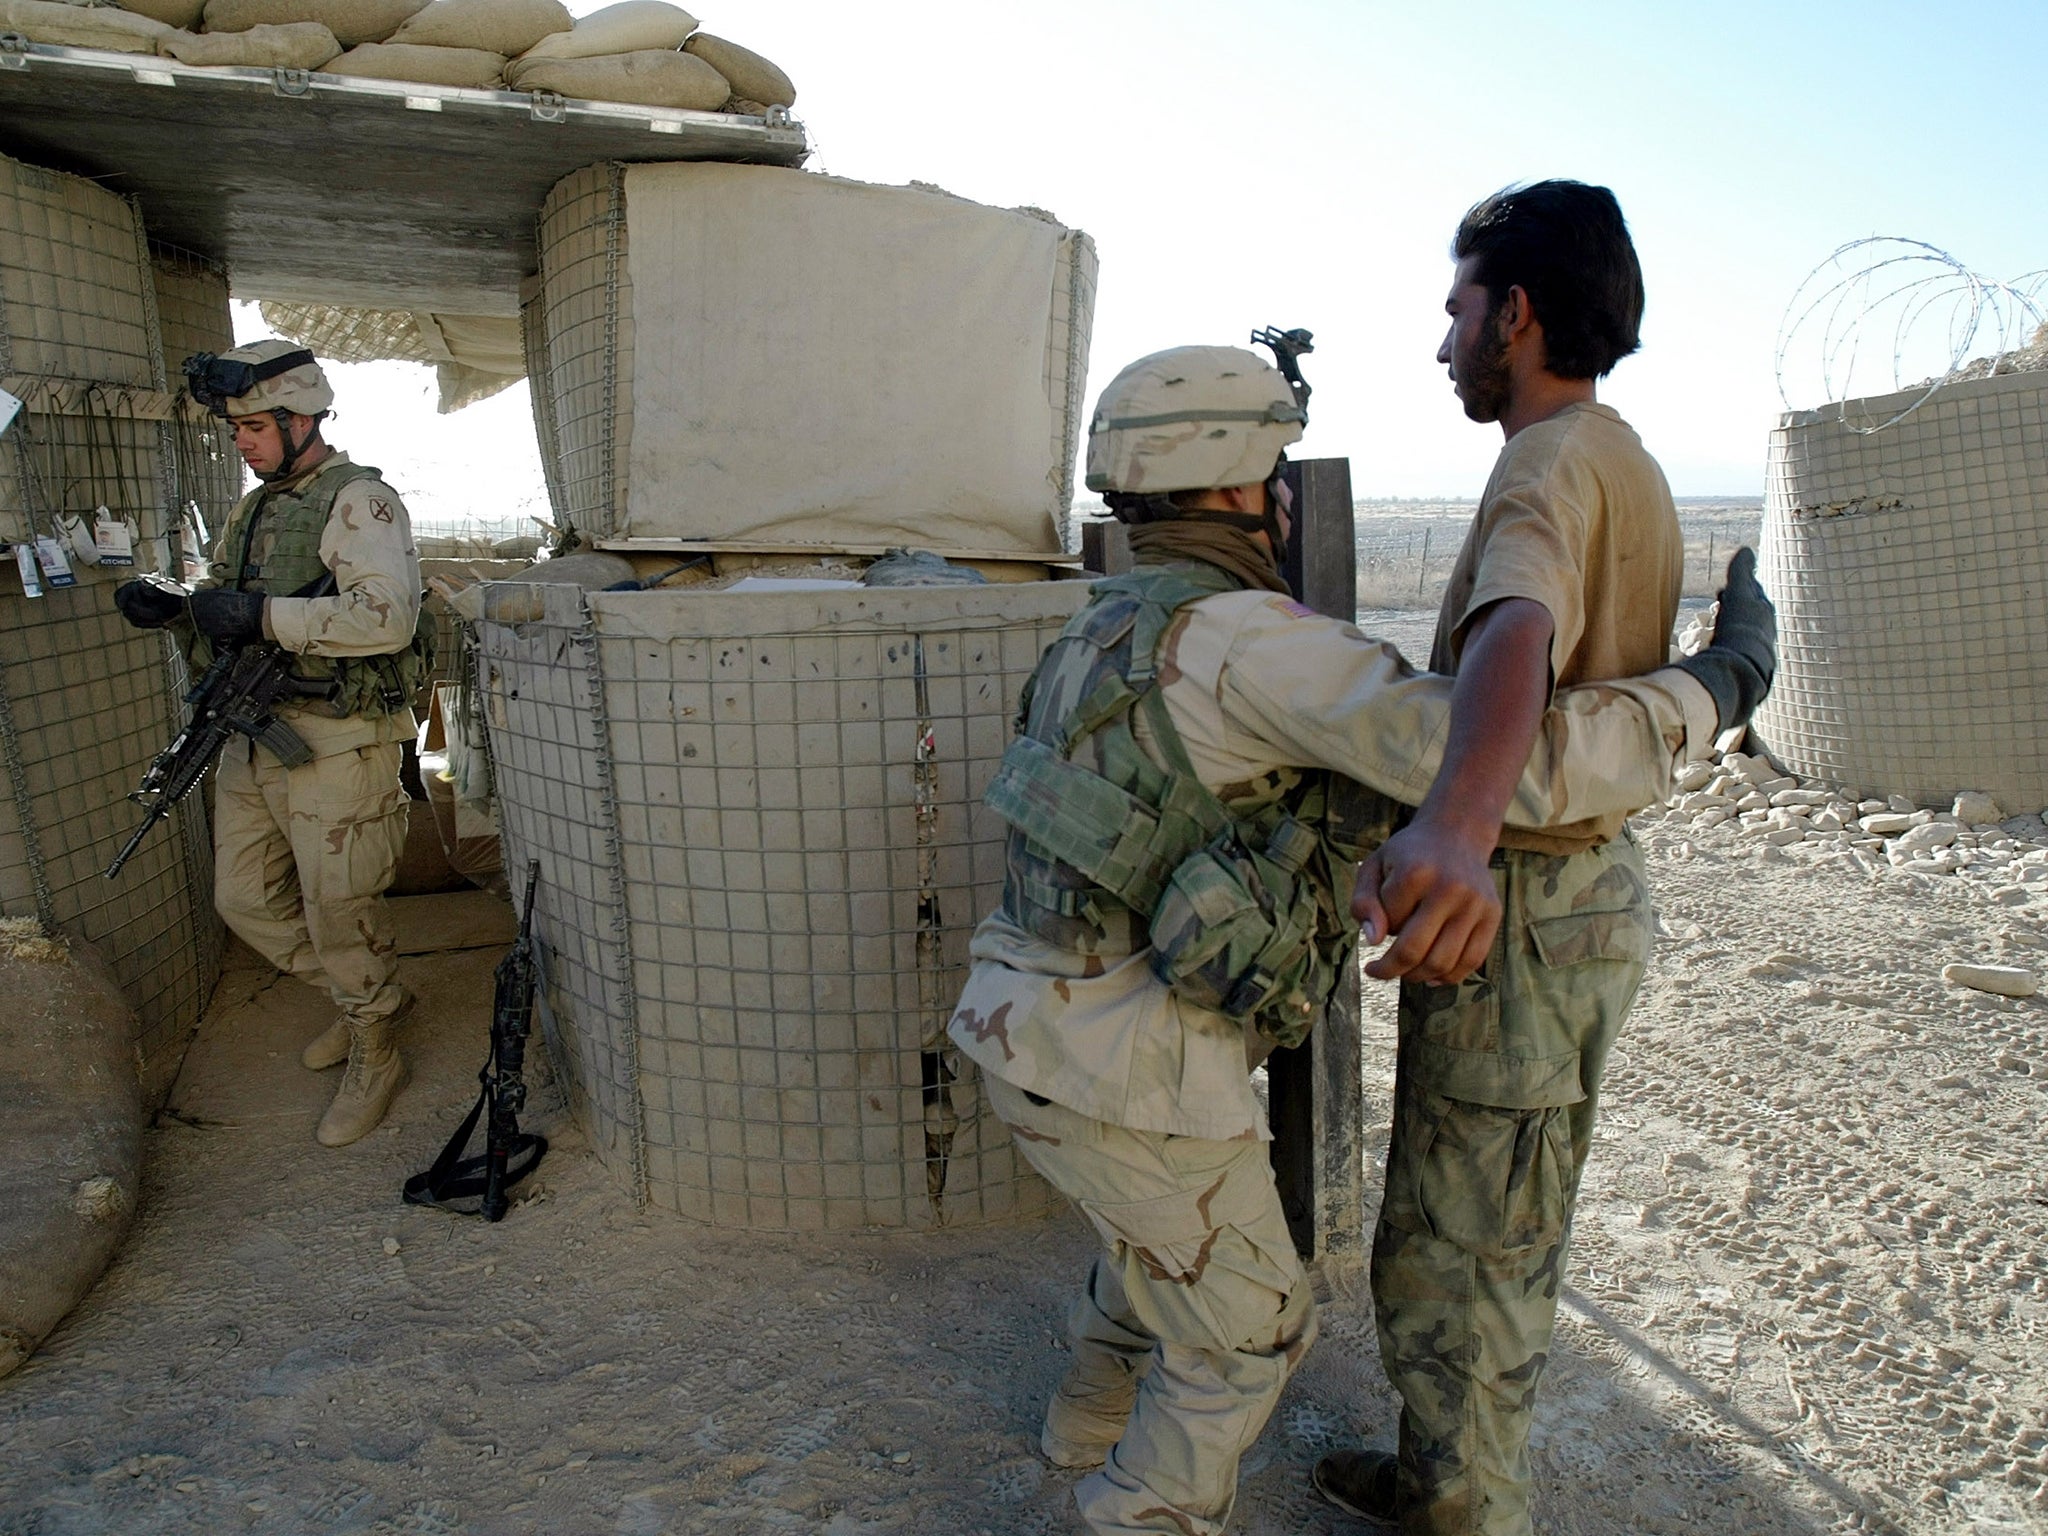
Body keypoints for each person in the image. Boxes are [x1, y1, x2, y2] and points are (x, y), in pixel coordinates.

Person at [948, 340, 1771, 1536]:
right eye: (1275, 468)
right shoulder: (1252, 643)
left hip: (1020, 1028)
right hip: (1123, 1069)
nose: (1286, 493)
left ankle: (1077, 1425)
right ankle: (1128, 1511)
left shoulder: (1103, 622)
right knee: (1248, 1329)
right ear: (1239, 488)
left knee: (1156, 1233)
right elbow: (1511, 769)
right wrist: (1720, 681)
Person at [1312, 182, 1774, 1534]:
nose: (1443, 340)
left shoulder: (1548, 463)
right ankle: (1433, 1476)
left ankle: (1467, 1512)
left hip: (1522, 906)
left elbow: (1517, 632)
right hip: (1571, 907)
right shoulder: (1619, 455)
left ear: (1515, 313)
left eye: (1458, 308)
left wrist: (1454, 827)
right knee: (1489, 1229)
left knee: (1465, 1263)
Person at [113, 340, 432, 1148]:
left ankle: (375, 1041)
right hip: (257, 734)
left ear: (302, 419)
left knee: (339, 908)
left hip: (339, 742)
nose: (243, 442)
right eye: (235, 429)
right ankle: (373, 998)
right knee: (243, 900)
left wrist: (262, 619)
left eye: (255, 426)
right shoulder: (257, 506)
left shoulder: (360, 502)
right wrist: (178, 603)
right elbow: (227, 591)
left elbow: (385, 618)